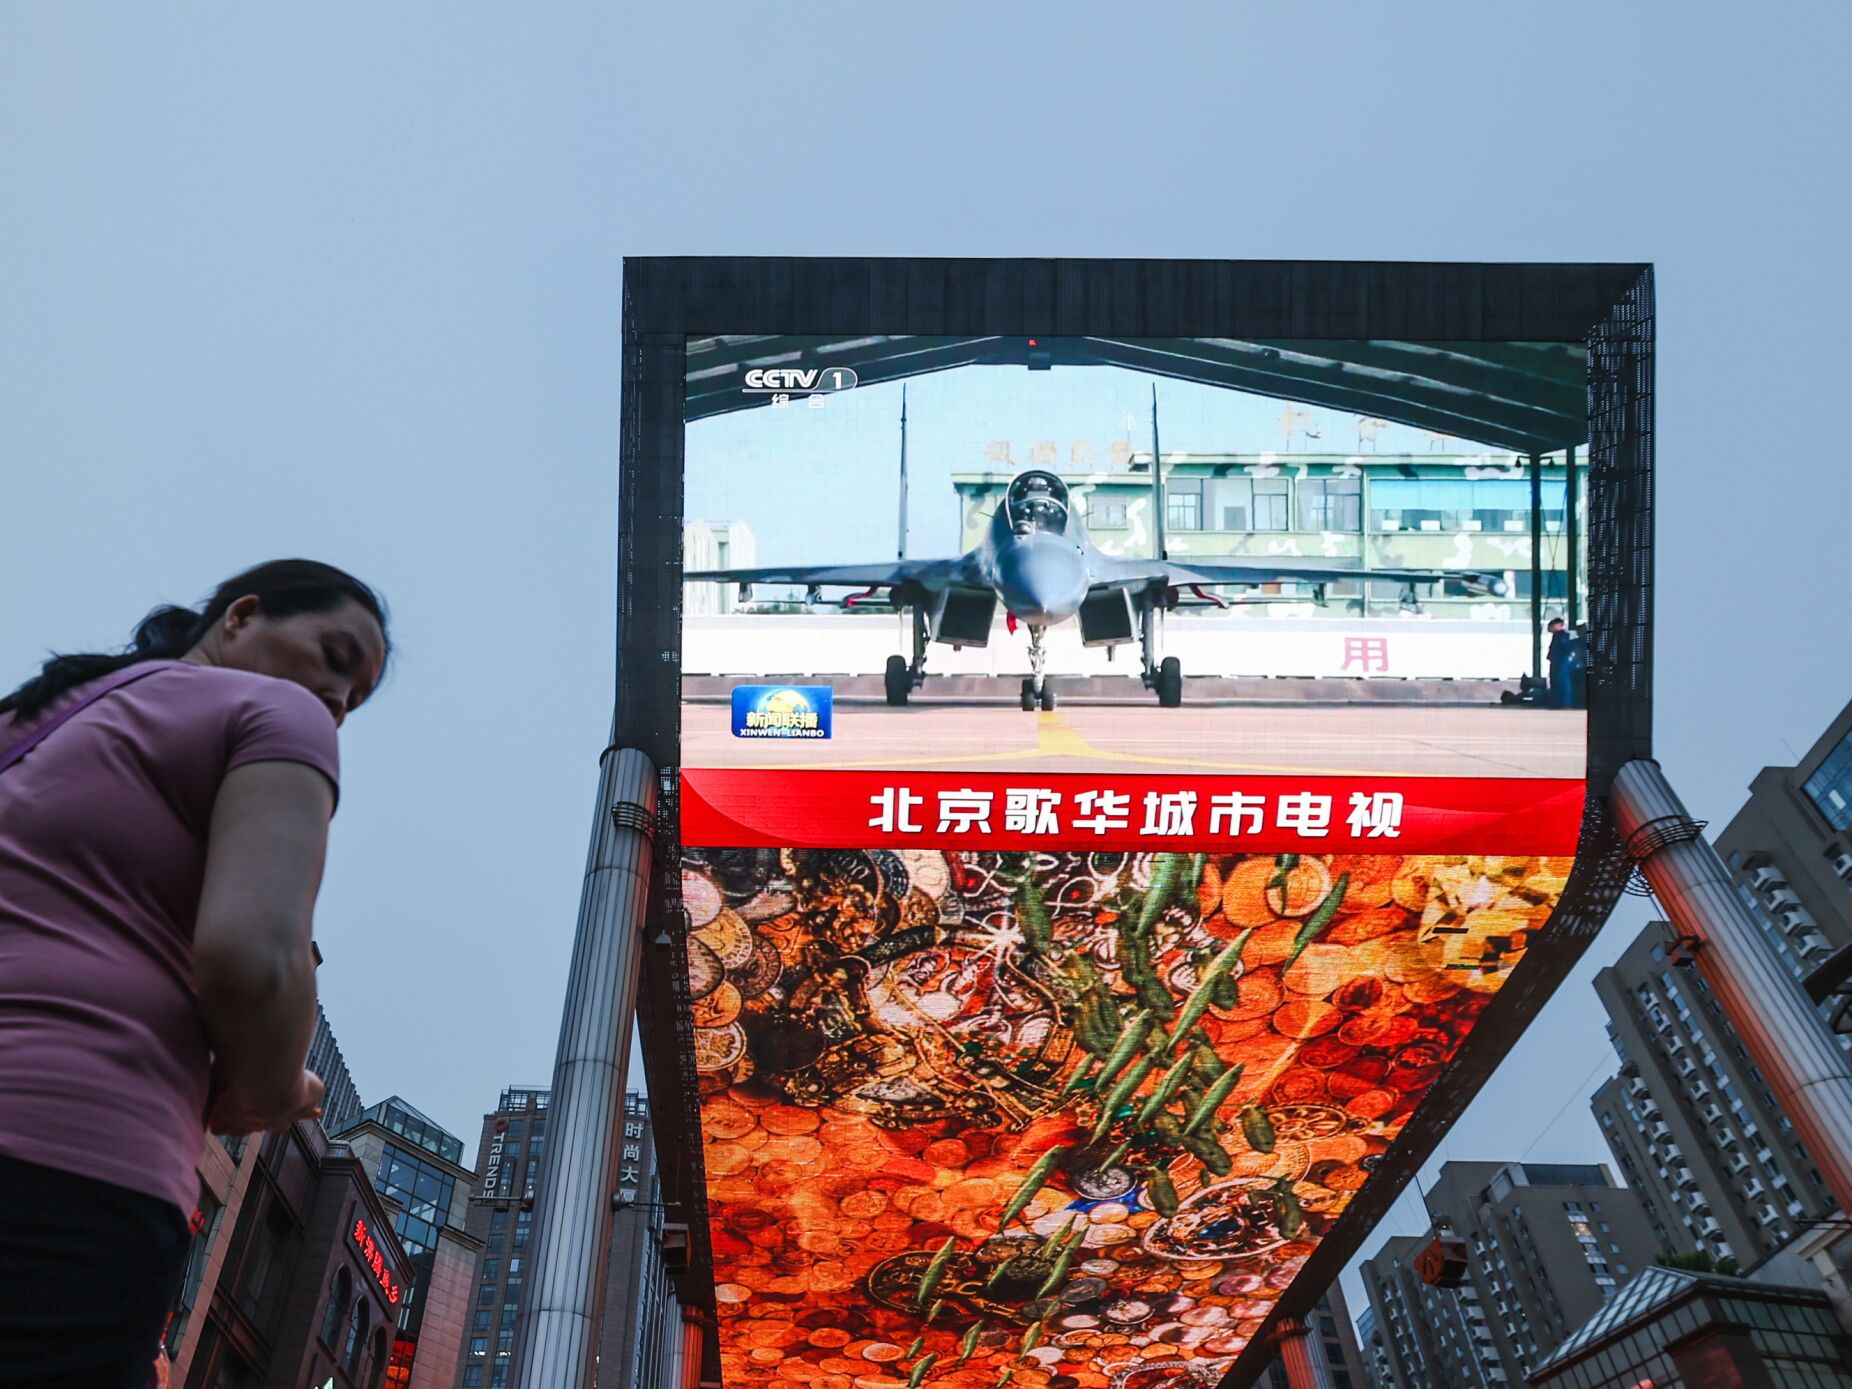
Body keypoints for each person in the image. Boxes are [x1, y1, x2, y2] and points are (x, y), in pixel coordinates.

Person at [0, 560, 389, 1388]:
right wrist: (280, 1086)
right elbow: (255, 955)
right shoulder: (272, 711)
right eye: (334, 655)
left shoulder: (31, 716)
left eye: (354, 698)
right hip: (73, 1164)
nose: (335, 701)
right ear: (241, 616)